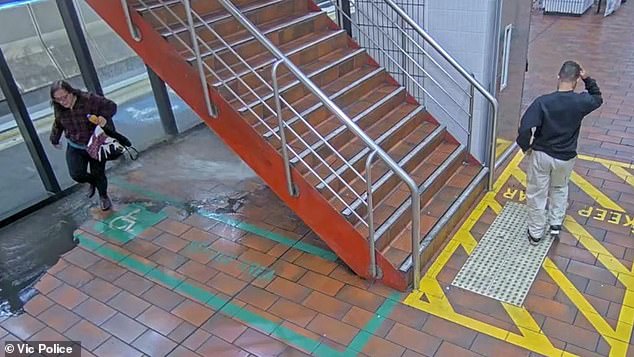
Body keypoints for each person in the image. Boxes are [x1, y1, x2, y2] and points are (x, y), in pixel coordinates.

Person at [516, 61, 602, 245]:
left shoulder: (543, 102)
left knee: (537, 193)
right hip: (566, 157)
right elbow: (597, 98)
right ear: (576, 80)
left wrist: (526, 146)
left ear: (558, 77)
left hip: (542, 155)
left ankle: (536, 233)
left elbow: (524, 127)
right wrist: (588, 79)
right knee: (560, 188)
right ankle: (555, 223)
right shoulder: (581, 101)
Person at [49, 80, 117, 211]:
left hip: (95, 143)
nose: (63, 101)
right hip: (75, 145)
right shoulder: (59, 108)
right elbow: (58, 123)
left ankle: (103, 196)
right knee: (76, 174)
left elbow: (111, 106)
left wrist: (103, 116)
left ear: (71, 92)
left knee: (98, 172)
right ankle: (93, 182)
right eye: (58, 99)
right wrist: (54, 139)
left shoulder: (88, 99)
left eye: (65, 97)